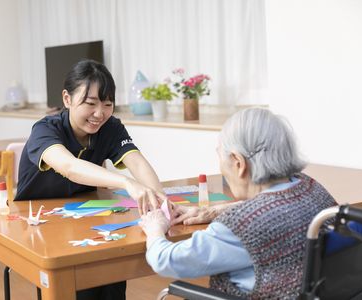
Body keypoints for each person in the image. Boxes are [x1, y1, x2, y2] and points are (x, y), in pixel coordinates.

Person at [139, 108, 337, 299]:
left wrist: (155, 228)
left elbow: (167, 261)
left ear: (238, 163)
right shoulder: (310, 187)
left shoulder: (241, 226)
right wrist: (213, 211)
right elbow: (278, 208)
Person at [15, 59, 166, 299]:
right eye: (90, 103)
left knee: (112, 274)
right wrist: (127, 183)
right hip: (40, 220)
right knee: (80, 286)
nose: (100, 114)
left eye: (107, 104)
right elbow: (70, 166)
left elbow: (135, 161)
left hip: (85, 213)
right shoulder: (45, 130)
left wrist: (162, 202)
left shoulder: (111, 127)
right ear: (67, 99)